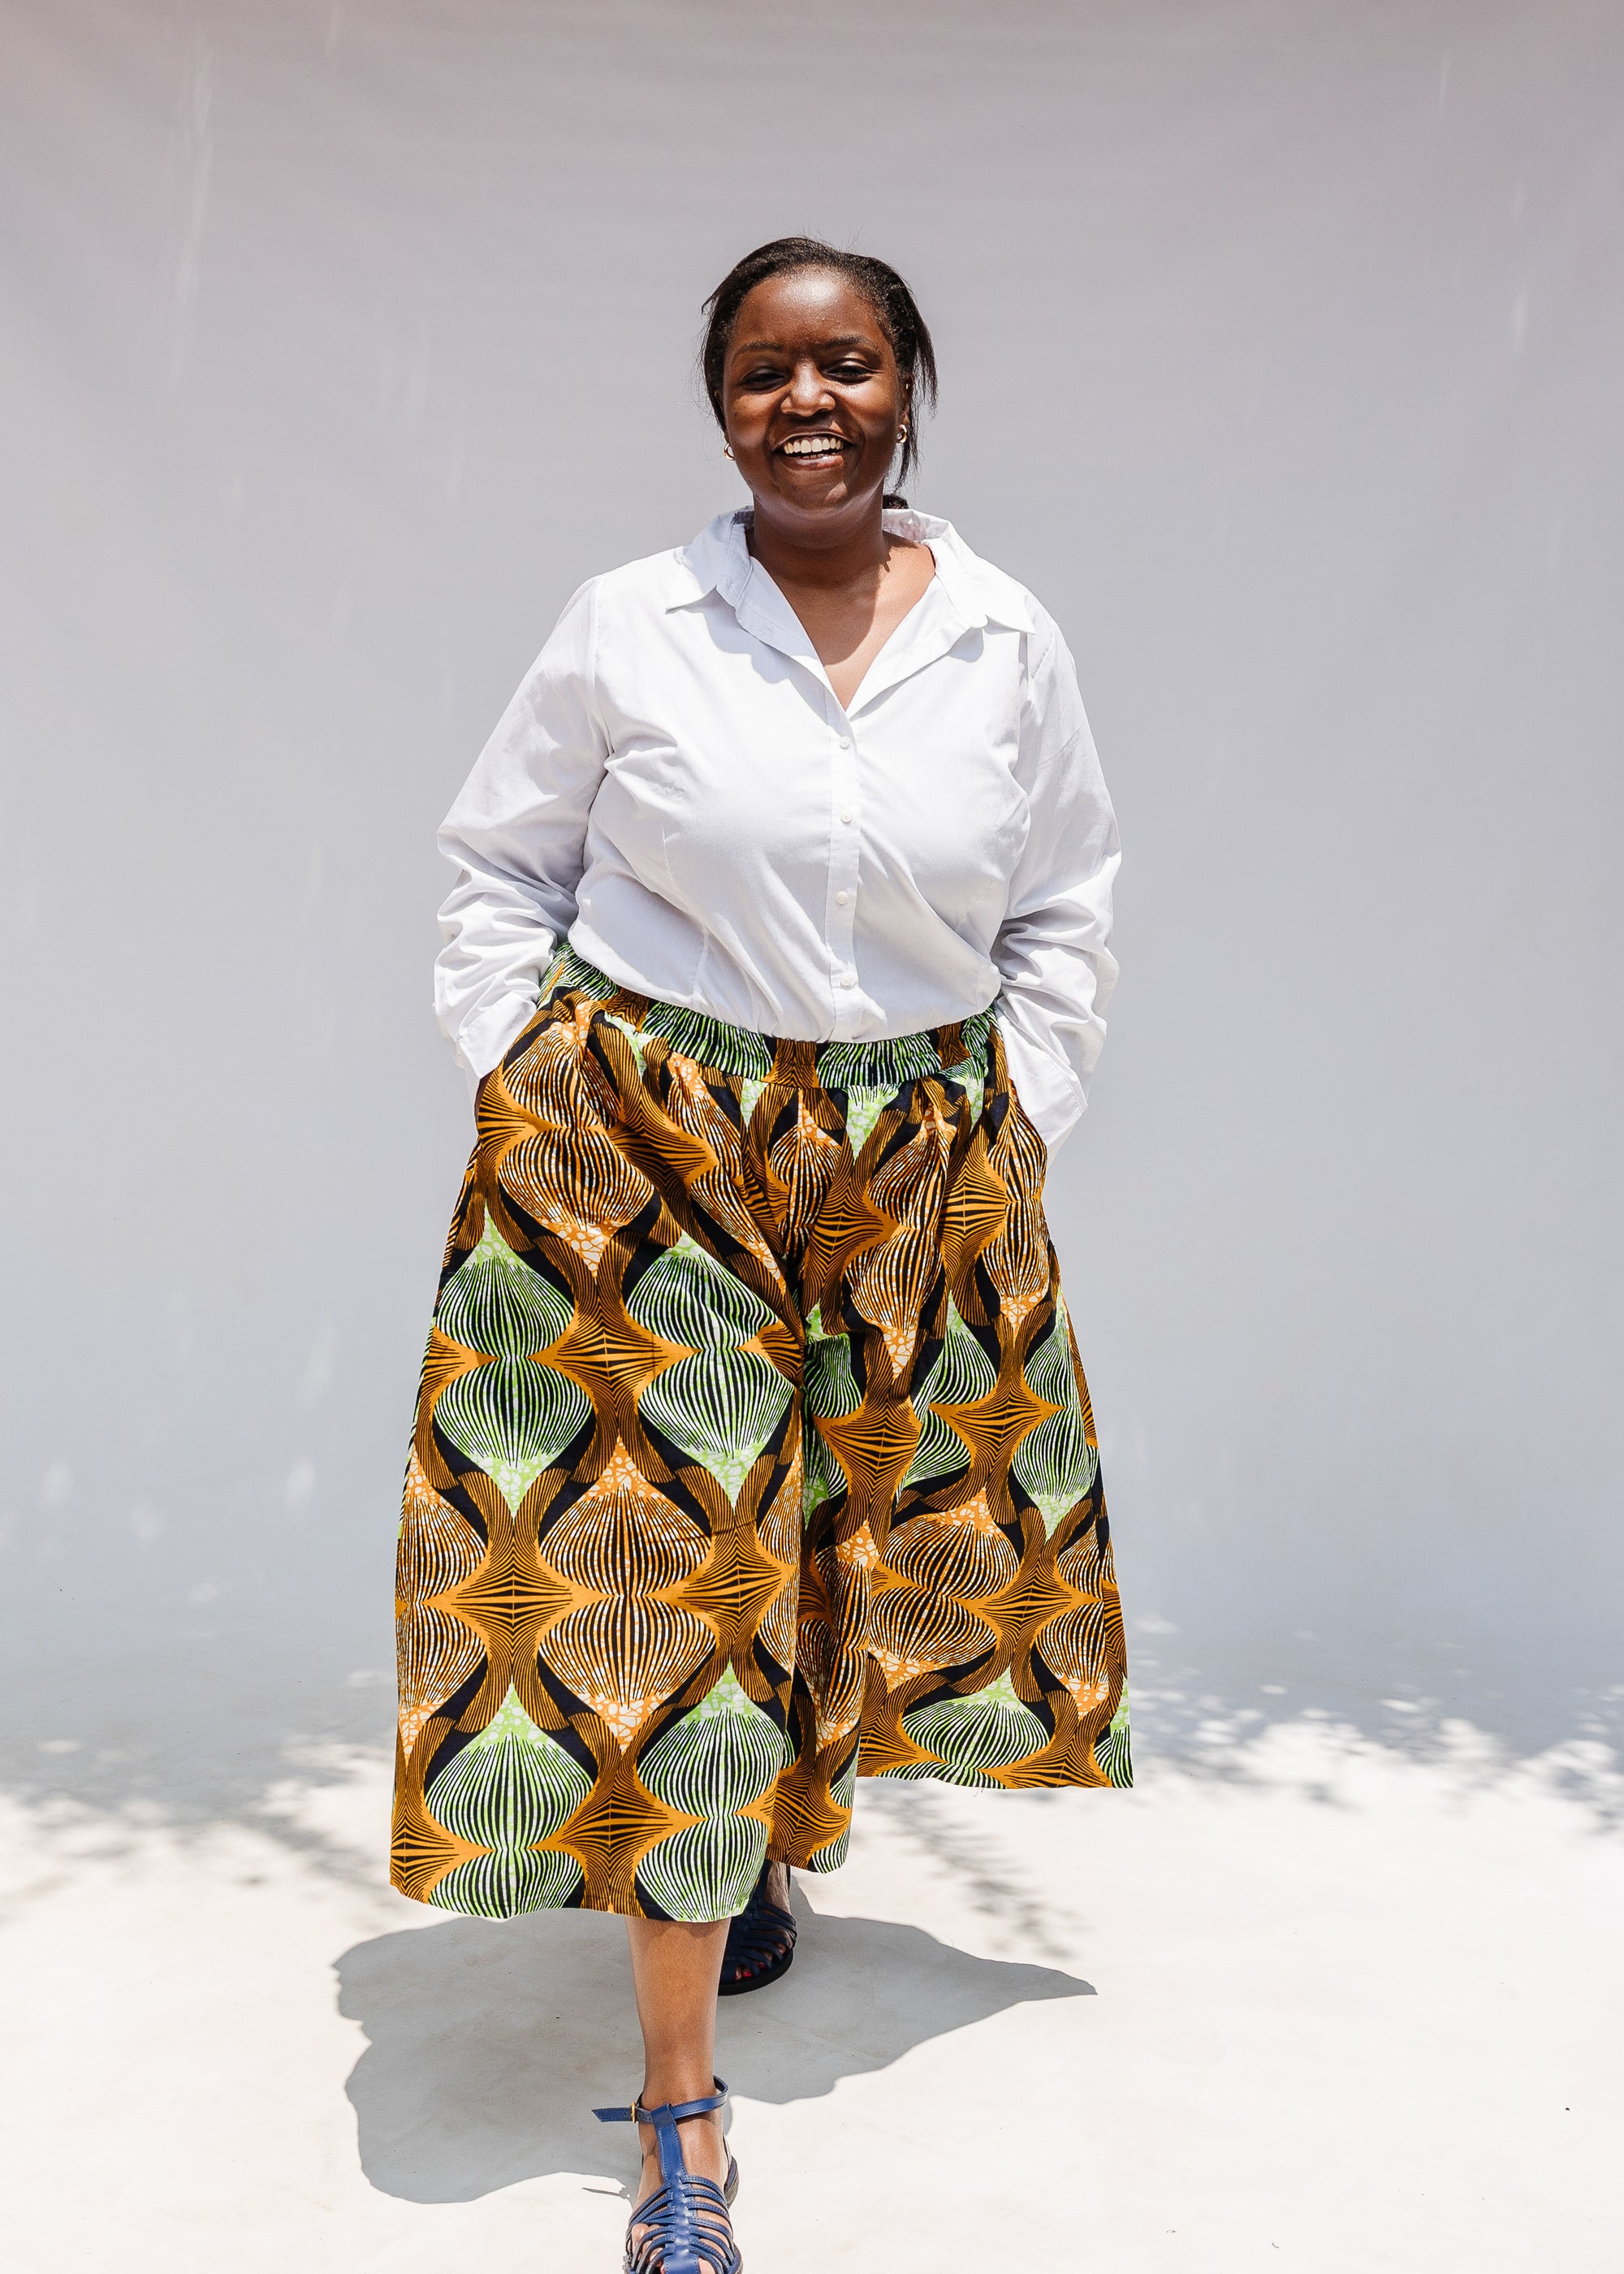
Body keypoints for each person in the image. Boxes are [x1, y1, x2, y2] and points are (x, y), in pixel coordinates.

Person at [392, 235, 1129, 2274]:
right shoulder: (631, 623)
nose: (807, 402)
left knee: (847, 1543)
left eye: (849, 363)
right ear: (719, 402)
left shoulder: (1003, 636)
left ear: (908, 387)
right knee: (664, 1577)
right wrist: (527, 1085)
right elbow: (498, 867)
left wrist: (1020, 1113)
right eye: (763, 371)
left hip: (911, 1145)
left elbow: (1064, 896)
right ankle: (684, 2117)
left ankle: (755, 1854)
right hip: (640, 1139)